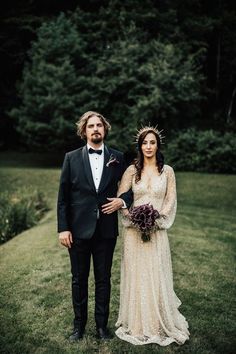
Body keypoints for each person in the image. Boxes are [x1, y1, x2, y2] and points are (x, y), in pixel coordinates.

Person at [57, 111, 132, 342]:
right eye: (91, 126)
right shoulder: (71, 158)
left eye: (99, 125)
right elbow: (63, 197)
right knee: (78, 279)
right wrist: (63, 228)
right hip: (78, 230)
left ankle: (102, 327)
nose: (96, 129)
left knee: (103, 279)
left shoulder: (118, 157)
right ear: (84, 131)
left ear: (105, 129)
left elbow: (132, 187)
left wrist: (123, 200)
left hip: (106, 230)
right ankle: (78, 327)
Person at [115, 126, 190, 346]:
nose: (148, 146)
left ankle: (159, 321)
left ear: (158, 145)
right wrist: (133, 217)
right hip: (133, 232)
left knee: (156, 273)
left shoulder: (167, 171)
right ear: (140, 146)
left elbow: (170, 199)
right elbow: (121, 198)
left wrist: (157, 219)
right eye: (145, 143)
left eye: (152, 142)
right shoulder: (131, 170)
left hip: (156, 231)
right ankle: (137, 323)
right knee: (137, 274)